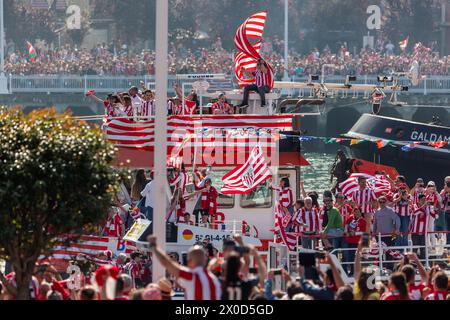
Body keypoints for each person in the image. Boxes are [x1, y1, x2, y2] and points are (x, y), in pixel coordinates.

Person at [148, 235, 222, 300]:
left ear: (189, 261)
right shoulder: (214, 279)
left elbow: (167, 263)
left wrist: (154, 247)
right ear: (205, 260)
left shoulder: (190, 275)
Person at [410, 194, 437, 260]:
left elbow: (434, 216)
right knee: (415, 249)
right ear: (418, 200)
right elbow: (415, 212)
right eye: (422, 200)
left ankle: (424, 263)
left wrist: (434, 208)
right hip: (415, 232)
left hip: (424, 232)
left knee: (423, 249)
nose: (424, 201)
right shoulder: (414, 205)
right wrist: (424, 206)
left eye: (425, 199)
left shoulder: (428, 207)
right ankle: (413, 263)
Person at [343, 207, 367, 275]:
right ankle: (347, 271)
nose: (356, 213)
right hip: (348, 240)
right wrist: (346, 232)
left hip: (356, 241)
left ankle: (354, 271)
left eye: (358, 212)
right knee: (346, 256)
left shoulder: (363, 221)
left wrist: (355, 233)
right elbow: (346, 225)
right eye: (355, 212)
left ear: (360, 212)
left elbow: (363, 232)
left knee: (353, 257)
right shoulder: (350, 218)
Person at [439, 176, 450, 245]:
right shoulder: (443, 192)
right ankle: (448, 245)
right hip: (446, 213)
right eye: (446, 182)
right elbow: (440, 202)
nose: (447, 183)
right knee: (447, 230)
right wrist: (443, 194)